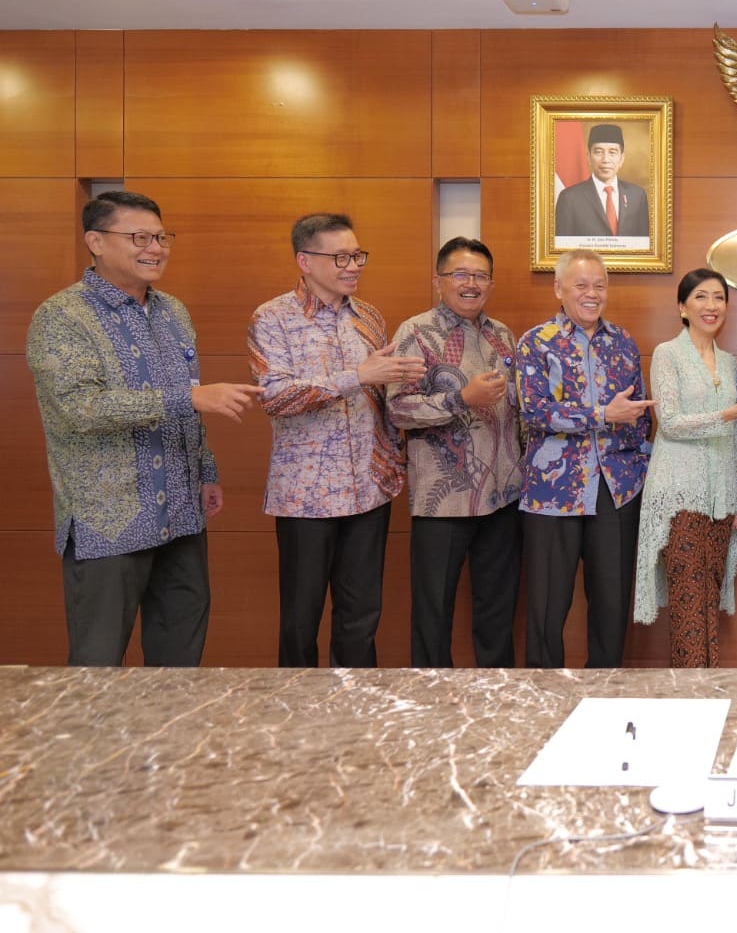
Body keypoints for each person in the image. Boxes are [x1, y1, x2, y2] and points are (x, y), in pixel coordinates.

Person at [26, 190, 262, 667]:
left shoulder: (173, 312)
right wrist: (188, 398)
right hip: (109, 518)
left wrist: (207, 470)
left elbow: (190, 396)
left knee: (179, 663)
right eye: (139, 237)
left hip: (182, 510)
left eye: (161, 237)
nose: (155, 248)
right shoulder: (62, 316)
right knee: (97, 665)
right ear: (95, 241)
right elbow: (80, 408)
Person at [248, 212, 425, 668]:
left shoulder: (368, 317)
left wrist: (396, 387)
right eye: (341, 257)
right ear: (305, 261)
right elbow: (276, 398)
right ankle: (300, 707)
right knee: (300, 621)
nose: (354, 266)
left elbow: (378, 396)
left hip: (369, 490)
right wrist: (357, 375)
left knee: (361, 619)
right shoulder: (272, 318)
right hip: (305, 498)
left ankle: (356, 705)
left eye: (358, 255)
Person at [387, 238, 522, 668]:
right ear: (438, 280)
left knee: (498, 612)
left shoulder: (503, 335)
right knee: (433, 613)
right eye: (460, 274)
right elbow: (398, 409)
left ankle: (497, 695)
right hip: (442, 501)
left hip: (503, 497)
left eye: (480, 276)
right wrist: (462, 398)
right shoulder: (415, 333)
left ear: (491, 284)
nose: (471, 284)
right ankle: (431, 700)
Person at [517, 249, 654, 668]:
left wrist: (639, 464)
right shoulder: (536, 342)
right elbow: (534, 412)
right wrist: (602, 414)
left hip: (615, 491)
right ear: (559, 288)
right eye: (581, 285)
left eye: (599, 285)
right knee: (546, 609)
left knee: (612, 608)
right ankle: (546, 696)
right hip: (553, 493)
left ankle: (606, 694)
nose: (592, 293)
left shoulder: (623, 342)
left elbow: (639, 415)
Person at [633, 269, 737, 667]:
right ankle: (691, 692)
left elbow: (734, 439)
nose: (711, 306)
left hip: (721, 500)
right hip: (679, 498)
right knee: (688, 601)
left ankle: (707, 686)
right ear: (682, 307)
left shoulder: (730, 363)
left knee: (708, 598)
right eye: (700, 297)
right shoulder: (667, 354)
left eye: (718, 297)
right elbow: (671, 423)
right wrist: (728, 413)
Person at [553, 124, 650, 239]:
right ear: (589, 157)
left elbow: (644, 243)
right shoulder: (569, 198)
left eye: (612, 152)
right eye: (598, 152)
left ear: (621, 158)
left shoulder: (637, 196)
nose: (605, 159)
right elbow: (563, 246)